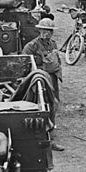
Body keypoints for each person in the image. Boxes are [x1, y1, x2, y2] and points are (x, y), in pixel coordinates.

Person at [22, 18, 64, 151]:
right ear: (39, 30)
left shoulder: (53, 44)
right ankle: (44, 139)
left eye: (49, 31)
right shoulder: (31, 46)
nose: (47, 33)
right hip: (39, 79)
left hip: (52, 78)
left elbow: (57, 61)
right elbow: (24, 63)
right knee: (41, 106)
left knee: (54, 104)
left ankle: (51, 132)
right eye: (44, 30)